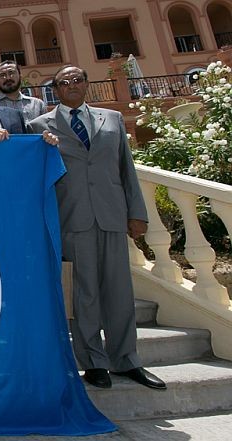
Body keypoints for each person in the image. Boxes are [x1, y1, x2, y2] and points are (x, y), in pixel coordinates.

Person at [29, 65, 166, 391]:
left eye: (78, 80)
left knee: (120, 291)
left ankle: (127, 359)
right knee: (85, 295)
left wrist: (137, 213)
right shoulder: (39, 127)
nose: (72, 85)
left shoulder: (112, 119)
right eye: (64, 82)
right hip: (73, 220)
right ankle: (93, 362)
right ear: (56, 90)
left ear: (86, 84)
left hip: (112, 216)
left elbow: (126, 169)